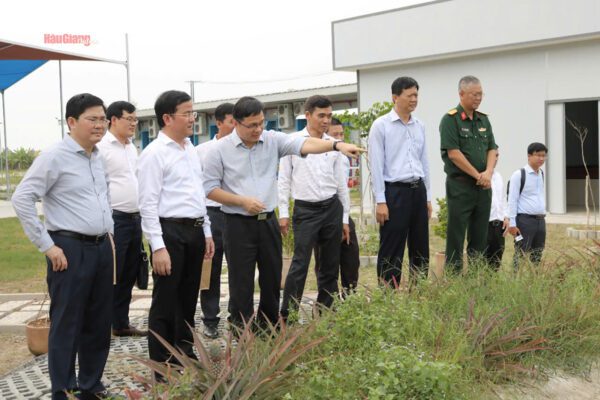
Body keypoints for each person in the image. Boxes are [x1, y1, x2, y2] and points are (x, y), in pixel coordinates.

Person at [202, 96, 363, 331]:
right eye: (252, 125)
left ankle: (268, 327)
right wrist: (241, 201)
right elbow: (209, 189)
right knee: (241, 281)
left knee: (271, 277)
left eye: (261, 123)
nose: (258, 129)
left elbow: (305, 144)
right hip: (237, 223)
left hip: (267, 221)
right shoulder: (219, 150)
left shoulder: (272, 140)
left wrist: (336, 145)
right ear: (236, 123)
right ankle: (241, 329)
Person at [12, 93, 114, 399]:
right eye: (92, 119)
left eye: (103, 119)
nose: (99, 125)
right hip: (68, 249)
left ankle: (91, 385)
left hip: (101, 248)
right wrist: (47, 245)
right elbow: (22, 198)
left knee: (99, 321)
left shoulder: (97, 157)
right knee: (68, 322)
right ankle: (64, 389)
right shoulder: (54, 156)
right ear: (71, 122)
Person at [137, 90, 215, 375]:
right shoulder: (154, 154)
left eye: (193, 112)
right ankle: (161, 363)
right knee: (165, 299)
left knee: (188, 296)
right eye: (187, 113)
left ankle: (184, 351)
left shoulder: (190, 149)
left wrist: (206, 231)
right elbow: (147, 204)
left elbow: (198, 194)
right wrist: (158, 247)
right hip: (169, 232)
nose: (193, 118)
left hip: (194, 230)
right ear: (168, 118)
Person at [278, 96, 350, 320]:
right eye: (321, 115)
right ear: (308, 115)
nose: (326, 120)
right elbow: (283, 180)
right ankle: (288, 316)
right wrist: (283, 213)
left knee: (330, 265)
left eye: (329, 115)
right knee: (300, 264)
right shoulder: (292, 142)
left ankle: (326, 311)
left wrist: (345, 218)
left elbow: (341, 184)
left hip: (331, 208)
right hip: (305, 211)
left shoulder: (334, 144)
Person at [368, 77, 431, 285]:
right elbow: (376, 165)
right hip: (395, 192)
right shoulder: (381, 126)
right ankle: (388, 294)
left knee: (420, 245)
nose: (414, 99)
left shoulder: (419, 125)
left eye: (416, 95)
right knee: (392, 247)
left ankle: (419, 290)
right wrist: (381, 201)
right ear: (395, 97)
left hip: (417, 190)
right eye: (409, 95)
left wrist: (428, 197)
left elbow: (424, 163)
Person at [97, 101, 147, 337]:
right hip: (115, 218)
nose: (134, 124)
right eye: (130, 119)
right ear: (114, 120)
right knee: (112, 273)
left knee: (129, 272)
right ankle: (102, 323)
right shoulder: (102, 147)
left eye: (135, 120)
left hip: (135, 218)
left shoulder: (131, 148)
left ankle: (120, 323)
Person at [440, 75, 497, 272]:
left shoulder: (483, 120)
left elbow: (492, 148)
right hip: (461, 186)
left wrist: (488, 172)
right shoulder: (451, 120)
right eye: (474, 94)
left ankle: (476, 276)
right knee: (456, 235)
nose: (478, 98)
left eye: (481, 94)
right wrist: (477, 175)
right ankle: (454, 278)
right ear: (461, 94)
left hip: (483, 187)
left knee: (480, 234)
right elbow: (454, 154)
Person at [195, 102, 235, 339]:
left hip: (237, 214)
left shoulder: (242, 148)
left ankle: (237, 316)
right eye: (231, 121)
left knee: (239, 267)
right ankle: (210, 319)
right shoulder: (202, 151)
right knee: (211, 269)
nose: (236, 126)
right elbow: (197, 187)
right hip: (212, 214)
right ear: (218, 123)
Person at [313, 117, 360, 295]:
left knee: (351, 257)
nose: (340, 138)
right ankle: (326, 300)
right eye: (335, 135)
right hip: (324, 214)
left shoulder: (344, 157)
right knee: (325, 261)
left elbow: (344, 189)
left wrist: (344, 217)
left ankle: (350, 296)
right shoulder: (319, 156)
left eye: (341, 134)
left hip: (343, 213)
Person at [507, 142, 548, 268]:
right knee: (521, 252)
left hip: (540, 221)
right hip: (524, 221)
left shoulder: (541, 173)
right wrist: (512, 223)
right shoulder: (519, 175)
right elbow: (512, 200)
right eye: (538, 155)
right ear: (529, 156)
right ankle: (516, 278)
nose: (541, 158)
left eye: (544, 155)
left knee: (537, 253)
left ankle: (534, 277)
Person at [485, 150, 509, 271]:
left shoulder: (498, 176)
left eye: (497, 155)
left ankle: (492, 282)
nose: (496, 158)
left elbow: (502, 199)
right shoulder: (479, 175)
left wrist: (506, 216)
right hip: (484, 225)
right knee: (480, 261)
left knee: (496, 263)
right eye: (494, 155)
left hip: (498, 226)